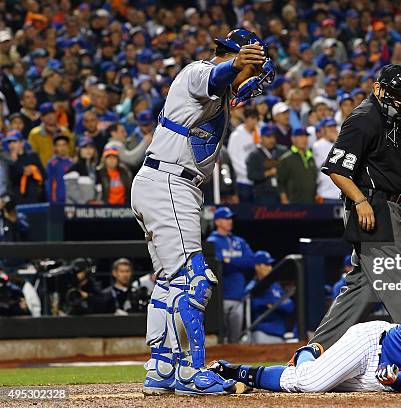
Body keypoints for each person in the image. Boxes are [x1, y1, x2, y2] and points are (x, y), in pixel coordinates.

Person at [132, 28, 272, 396]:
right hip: (169, 183)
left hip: (163, 182)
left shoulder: (221, 95)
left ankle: (161, 368)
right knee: (195, 281)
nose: (253, 80)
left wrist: (242, 75)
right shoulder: (197, 72)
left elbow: (229, 86)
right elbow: (217, 76)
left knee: (168, 282)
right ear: (233, 55)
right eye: (250, 68)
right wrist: (236, 64)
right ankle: (190, 372)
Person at [310, 65, 401, 350]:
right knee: (399, 281)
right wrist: (360, 201)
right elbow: (336, 169)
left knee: (361, 287)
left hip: (387, 206)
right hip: (372, 206)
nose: (400, 100)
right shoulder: (363, 118)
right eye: (396, 93)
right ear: (378, 88)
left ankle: (316, 351)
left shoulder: (393, 120)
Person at [209, 315, 401, 394]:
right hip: (370, 345)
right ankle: (234, 371)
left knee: (322, 383)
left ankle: (312, 359)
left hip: (381, 374)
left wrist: (394, 381)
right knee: (309, 382)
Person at [206, 206, 256, 344]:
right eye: (226, 219)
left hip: (237, 295)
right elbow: (218, 266)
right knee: (220, 339)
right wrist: (236, 263)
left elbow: (251, 261)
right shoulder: (212, 241)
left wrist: (229, 261)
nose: (230, 221)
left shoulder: (239, 241)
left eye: (230, 219)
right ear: (217, 222)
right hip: (219, 296)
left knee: (235, 340)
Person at [246, 250, 295, 344]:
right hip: (262, 334)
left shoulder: (275, 285)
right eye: (266, 265)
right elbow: (252, 306)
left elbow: (290, 306)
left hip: (280, 334)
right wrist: (272, 305)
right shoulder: (252, 287)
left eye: (270, 265)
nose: (270, 268)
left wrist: (274, 305)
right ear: (257, 267)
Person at [246, 124, 286, 204]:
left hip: (280, 193)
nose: (272, 140)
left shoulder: (281, 151)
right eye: (268, 137)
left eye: (273, 137)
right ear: (261, 138)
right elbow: (251, 175)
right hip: (262, 194)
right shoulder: (255, 154)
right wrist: (268, 173)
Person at [277, 127, 317, 204]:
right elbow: (280, 183)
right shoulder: (286, 159)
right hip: (293, 202)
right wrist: (284, 200)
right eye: (301, 136)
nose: (304, 139)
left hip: (311, 202)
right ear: (293, 139)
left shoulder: (311, 157)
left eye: (306, 136)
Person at [227, 107, 259, 202]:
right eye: (251, 118)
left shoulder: (258, 133)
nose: (253, 121)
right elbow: (233, 157)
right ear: (245, 118)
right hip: (243, 180)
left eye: (255, 118)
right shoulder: (236, 135)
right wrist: (246, 173)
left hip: (258, 180)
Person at [28, 102, 74, 167]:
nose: (49, 116)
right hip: (44, 173)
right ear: (41, 117)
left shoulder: (65, 132)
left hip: (65, 170)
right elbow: (33, 156)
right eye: (46, 114)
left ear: (56, 114)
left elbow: (71, 152)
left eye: (51, 113)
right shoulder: (35, 134)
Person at [312, 118, 341, 203]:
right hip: (326, 194)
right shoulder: (318, 145)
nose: (332, 129)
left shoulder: (342, 143)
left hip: (342, 193)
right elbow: (333, 163)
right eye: (329, 127)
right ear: (322, 130)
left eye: (334, 126)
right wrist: (337, 141)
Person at [64, 137, 99, 204]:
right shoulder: (74, 168)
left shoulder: (95, 169)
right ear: (79, 150)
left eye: (91, 147)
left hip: (91, 210)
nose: (88, 150)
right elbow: (71, 191)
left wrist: (96, 202)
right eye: (85, 147)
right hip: (76, 209)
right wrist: (85, 204)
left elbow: (97, 189)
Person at [45, 135, 73, 204]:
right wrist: (51, 200)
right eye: (59, 145)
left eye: (64, 145)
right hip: (57, 200)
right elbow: (48, 183)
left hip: (71, 199)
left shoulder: (73, 163)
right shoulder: (52, 164)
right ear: (55, 148)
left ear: (68, 146)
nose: (62, 148)